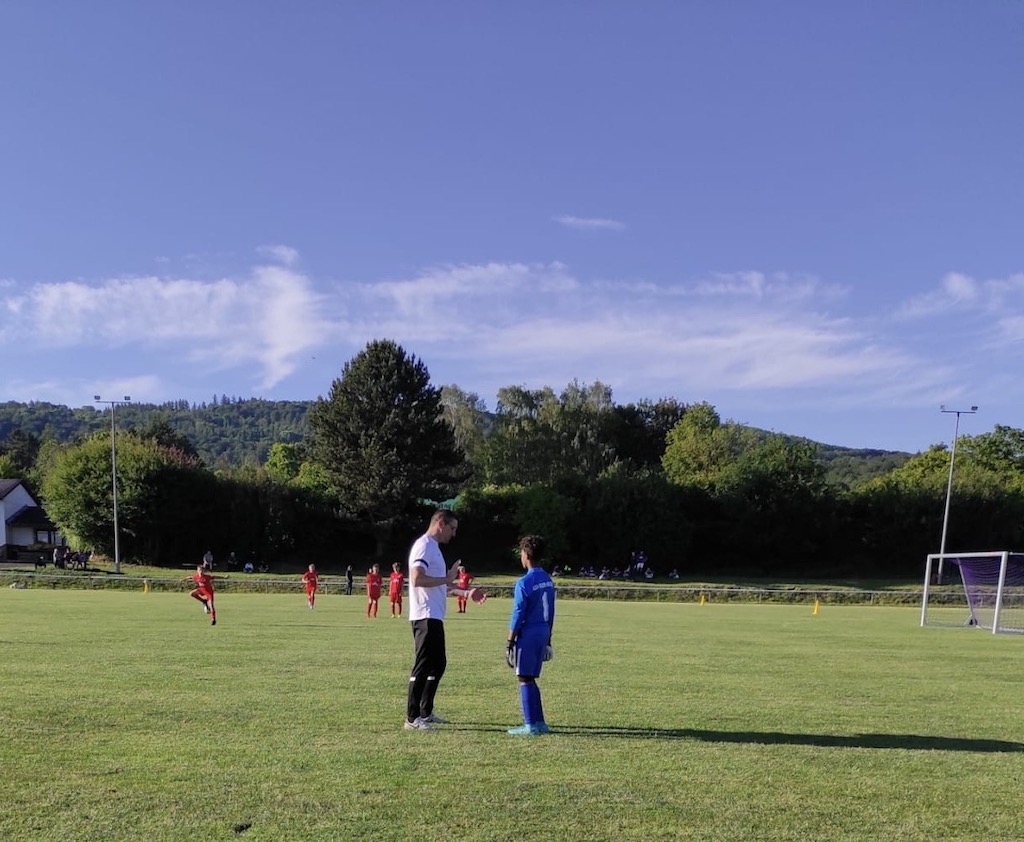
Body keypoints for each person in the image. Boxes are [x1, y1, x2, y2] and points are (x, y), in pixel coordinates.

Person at [404, 509, 461, 731]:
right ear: (441, 523)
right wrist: (446, 578)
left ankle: (425, 713)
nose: (453, 534)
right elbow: (417, 578)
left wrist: (466, 592)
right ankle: (412, 718)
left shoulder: (434, 548)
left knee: (438, 664)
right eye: (452, 528)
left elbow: (439, 585)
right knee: (423, 665)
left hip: (435, 615)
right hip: (425, 615)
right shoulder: (424, 545)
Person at [506, 534, 555, 736]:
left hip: (528, 634)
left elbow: (518, 613)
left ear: (526, 554)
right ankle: (539, 722)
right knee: (531, 677)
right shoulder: (547, 580)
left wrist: (509, 641)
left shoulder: (524, 582)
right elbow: (551, 611)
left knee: (524, 677)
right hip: (543, 631)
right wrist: (549, 639)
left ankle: (530, 725)